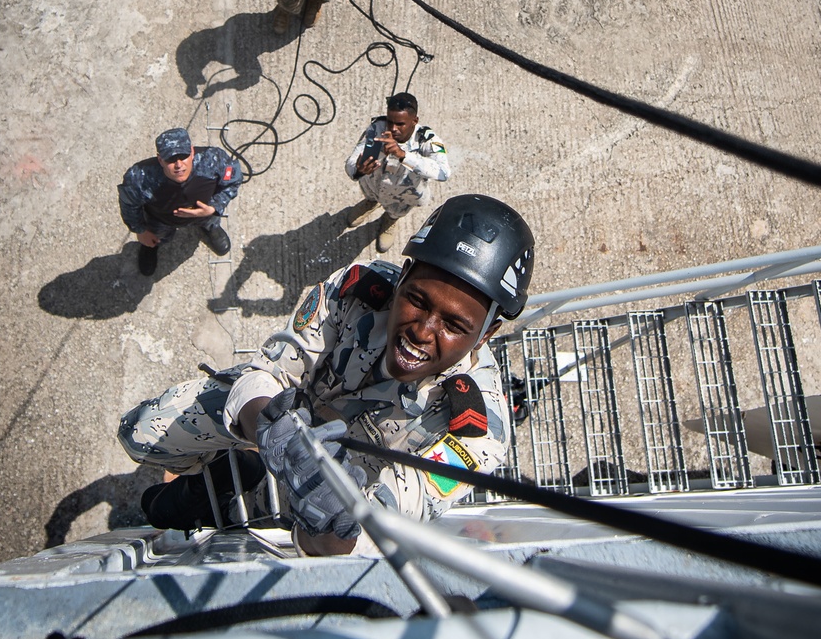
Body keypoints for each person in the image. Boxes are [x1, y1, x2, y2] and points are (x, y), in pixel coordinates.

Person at [118, 194, 535, 557]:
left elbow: (376, 530)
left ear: (486, 334)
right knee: (139, 432)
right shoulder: (356, 292)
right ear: (402, 277)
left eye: (454, 326)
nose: (423, 331)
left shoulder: (475, 433)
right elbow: (271, 370)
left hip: (326, 498)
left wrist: (331, 522)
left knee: (206, 516)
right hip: (276, 424)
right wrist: (268, 429)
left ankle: (228, 490)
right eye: (417, 300)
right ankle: (226, 473)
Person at [118, 127, 243, 277]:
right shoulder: (140, 178)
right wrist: (140, 230)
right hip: (161, 219)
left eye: (183, 156)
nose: (179, 165)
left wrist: (214, 207)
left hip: (204, 213)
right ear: (160, 160)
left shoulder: (214, 160)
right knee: (157, 236)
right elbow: (129, 205)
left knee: (210, 221)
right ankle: (152, 246)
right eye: (170, 159)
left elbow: (233, 181)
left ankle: (210, 228)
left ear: (192, 152)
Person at [345, 92, 451, 253]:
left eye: (400, 124)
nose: (393, 129)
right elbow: (352, 161)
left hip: (403, 193)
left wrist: (403, 155)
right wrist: (359, 169)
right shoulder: (377, 128)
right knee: (370, 194)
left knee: (396, 210)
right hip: (374, 184)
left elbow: (443, 172)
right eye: (390, 122)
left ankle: (390, 220)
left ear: (414, 121)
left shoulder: (427, 139)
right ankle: (371, 203)